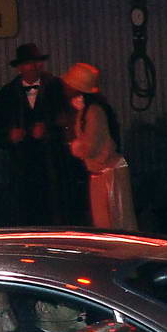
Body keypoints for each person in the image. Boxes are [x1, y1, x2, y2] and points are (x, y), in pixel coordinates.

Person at [0, 43, 83, 226]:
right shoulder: (7, 94)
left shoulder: (56, 88)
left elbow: (71, 121)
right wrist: (10, 137)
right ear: (19, 67)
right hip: (21, 170)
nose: (33, 67)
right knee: (25, 218)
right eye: (28, 63)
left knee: (55, 216)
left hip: (52, 167)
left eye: (36, 62)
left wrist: (48, 129)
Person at [62, 62, 137, 231]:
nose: (66, 88)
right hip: (101, 173)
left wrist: (73, 145)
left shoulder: (94, 112)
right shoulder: (86, 110)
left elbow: (91, 147)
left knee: (117, 223)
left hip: (110, 174)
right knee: (105, 224)